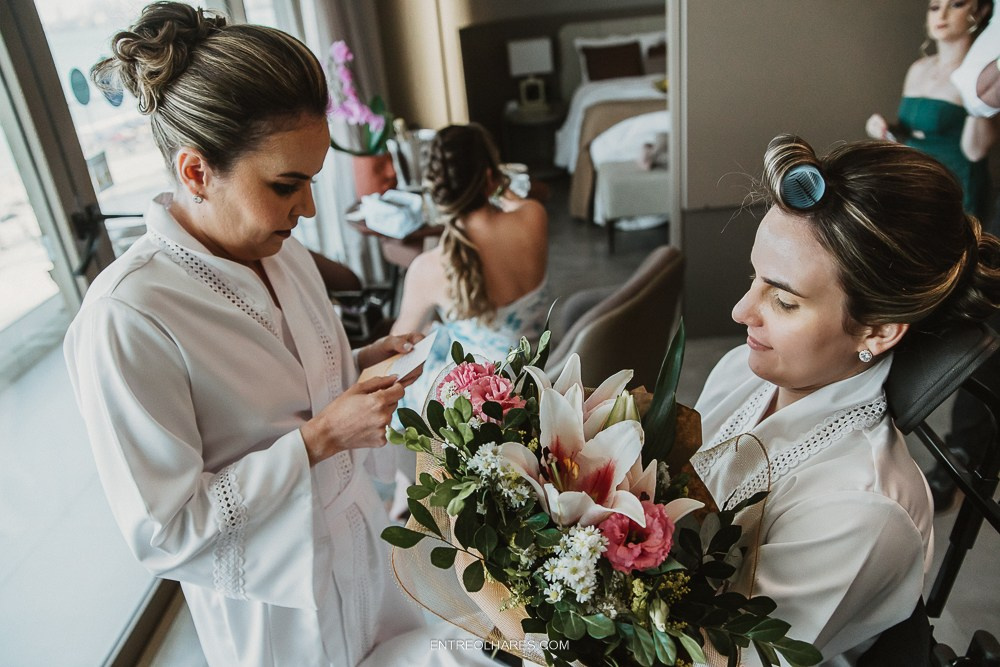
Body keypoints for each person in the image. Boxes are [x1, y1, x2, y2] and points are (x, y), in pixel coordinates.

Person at [63, 5, 500, 666]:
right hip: (278, 610)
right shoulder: (127, 317)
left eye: (312, 181)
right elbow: (166, 531)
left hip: (364, 542)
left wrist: (355, 361)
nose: (310, 208)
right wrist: (320, 437)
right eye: (287, 185)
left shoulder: (283, 250)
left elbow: (275, 389)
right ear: (195, 172)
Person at [692, 134, 1000, 666]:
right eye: (753, 277)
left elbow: (731, 658)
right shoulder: (738, 375)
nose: (742, 310)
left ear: (877, 331)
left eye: (783, 300)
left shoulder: (863, 509)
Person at [390, 123, 549, 414]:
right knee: (436, 334)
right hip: (536, 379)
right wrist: (498, 185)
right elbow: (515, 203)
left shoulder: (428, 269)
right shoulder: (534, 218)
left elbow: (396, 347)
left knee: (425, 338)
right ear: (491, 176)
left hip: (475, 409)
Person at [866, 0, 997, 222]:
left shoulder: (983, 79)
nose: (942, 15)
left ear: (980, 11)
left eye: (956, 4)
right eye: (935, 7)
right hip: (914, 182)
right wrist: (881, 128)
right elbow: (908, 134)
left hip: (956, 189)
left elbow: (975, 151)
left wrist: (974, 99)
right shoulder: (918, 69)